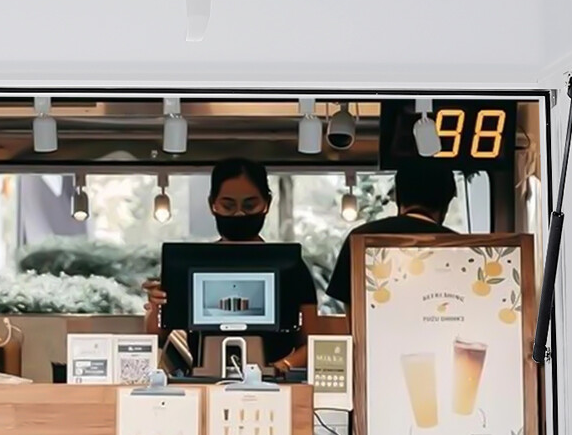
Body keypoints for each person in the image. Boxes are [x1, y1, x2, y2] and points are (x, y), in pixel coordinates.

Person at [142, 157, 320, 376]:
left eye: (249, 205)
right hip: (204, 382)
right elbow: (157, 335)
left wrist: (281, 367)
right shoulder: (189, 264)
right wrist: (156, 305)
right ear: (212, 204)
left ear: (267, 203)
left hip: (273, 384)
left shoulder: (293, 267)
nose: (239, 214)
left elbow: (313, 343)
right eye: (228, 205)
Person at [326, 158, 459, 311]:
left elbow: (349, 305)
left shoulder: (359, 237)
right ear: (446, 202)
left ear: (398, 197)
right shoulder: (461, 247)